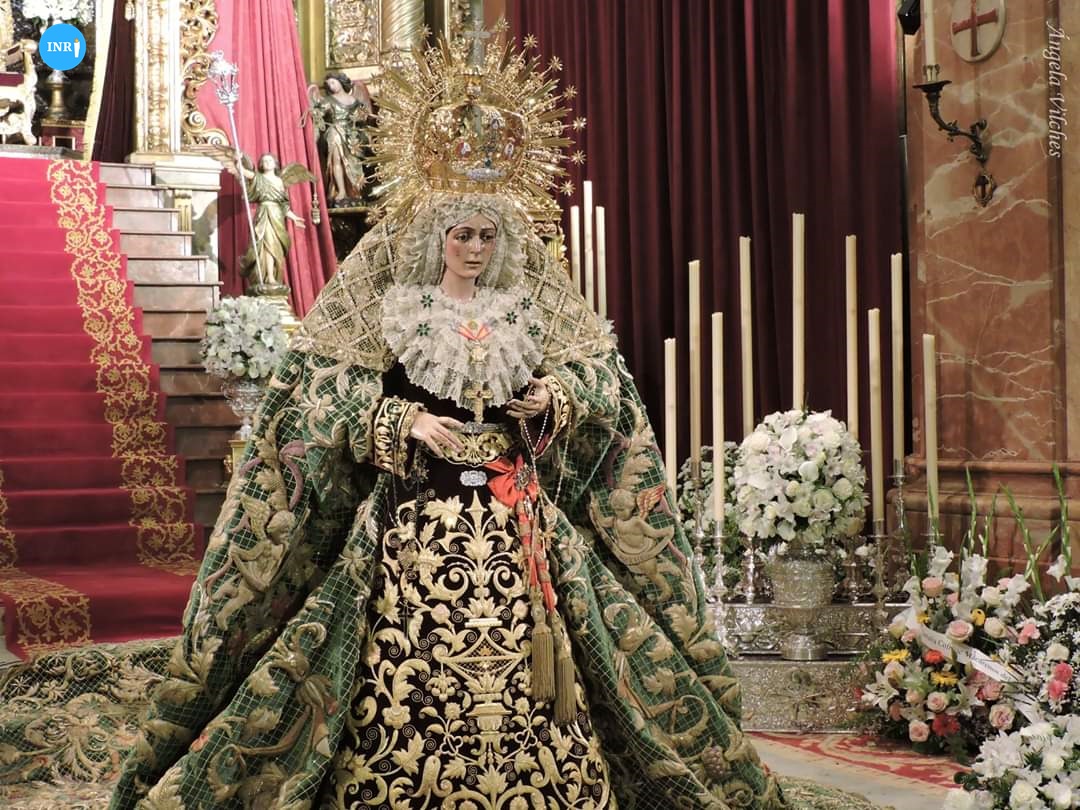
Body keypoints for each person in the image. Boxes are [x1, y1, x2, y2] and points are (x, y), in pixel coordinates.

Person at [109, 29, 789, 810]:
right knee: (396, 657)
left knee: (554, 654)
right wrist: (399, 421)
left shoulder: (526, 304)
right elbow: (314, 393)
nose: (473, 247)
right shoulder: (389, 301)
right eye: (461, 233)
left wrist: (554, 399)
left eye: (487, 235)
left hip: (515, 516)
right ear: (435, 234)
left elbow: (603, 383)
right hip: (413, 516)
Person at [238, 152, 312, 291]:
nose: (267, 162)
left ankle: (274, 276)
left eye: (270, 160)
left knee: (276, 247)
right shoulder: (258, 177)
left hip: (277, 216)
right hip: (264, 214)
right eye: (264, 161)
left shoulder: (279, 182)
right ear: (261, 165)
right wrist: (238, 159)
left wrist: (294, 218)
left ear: (275, 164)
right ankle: (269, 277)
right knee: (267, 245)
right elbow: (242, 171)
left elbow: (284, 205)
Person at [307, 73, 372, 207]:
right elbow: (319, 114)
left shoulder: (354, 100)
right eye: (329, 84)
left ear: (341, 82)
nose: (331, 86)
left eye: (333, 82)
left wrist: (361, 118)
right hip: (335, 131)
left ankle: (354, 192)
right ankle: (341, 191)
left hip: (352, 135)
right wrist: (315, 113)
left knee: (354, 162)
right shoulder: (328, 101)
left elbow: (364, 116)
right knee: (336, 160)